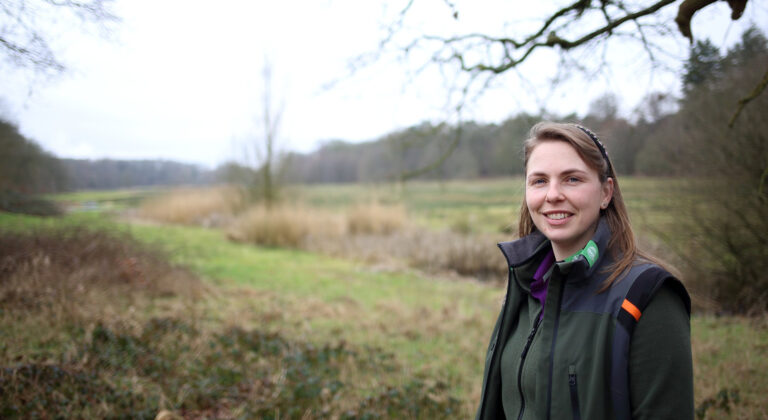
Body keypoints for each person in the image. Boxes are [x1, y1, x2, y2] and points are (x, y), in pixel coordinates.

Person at [475, 122, 693, 420]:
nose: (553, 195)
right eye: (539, 181)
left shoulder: (647, 296)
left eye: (572, 179)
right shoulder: (527, 285)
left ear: (606, 192)